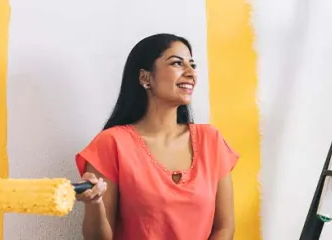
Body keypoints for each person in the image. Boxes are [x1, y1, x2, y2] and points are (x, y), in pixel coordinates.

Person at [74, 33, 239, 240]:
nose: (191, 73)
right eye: (177, 63)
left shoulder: (211, 140)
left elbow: (224, 229)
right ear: (145, 77)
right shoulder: (111, 144)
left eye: (193, 65)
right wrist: (94, 203)